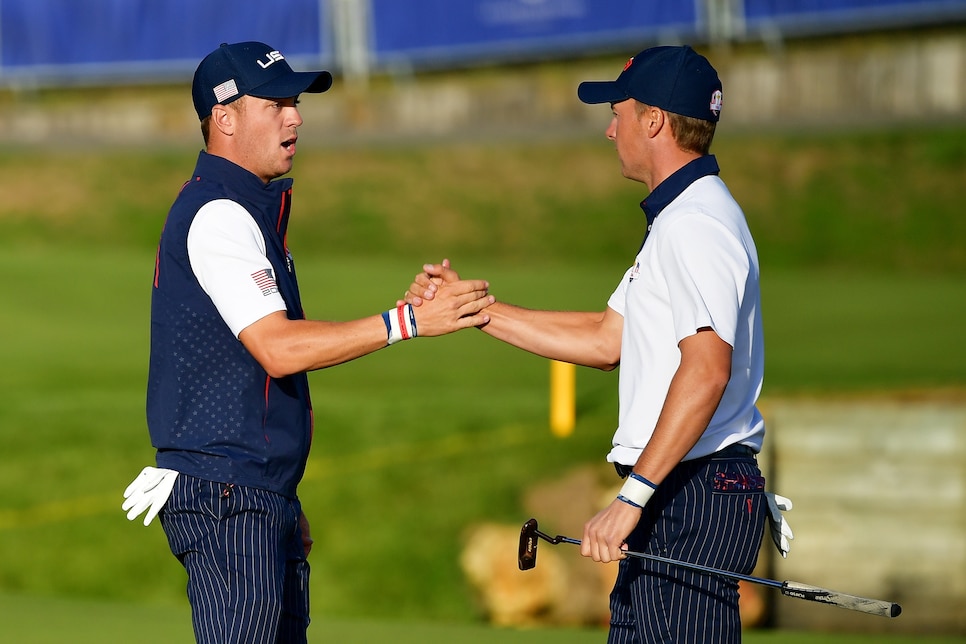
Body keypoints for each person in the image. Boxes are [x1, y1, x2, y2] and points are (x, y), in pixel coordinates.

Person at [407, 46, 791, 643]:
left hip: (693, 493)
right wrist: (473, 310)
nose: (610, 129)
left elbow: (708, 369)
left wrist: (633, 495)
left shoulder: (695, 223)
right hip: (679, 490)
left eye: (619, 112)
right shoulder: (676, 221)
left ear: (655, 121)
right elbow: (606, 338)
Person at [120, 41, 493, 644]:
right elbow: (279, 348)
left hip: (256, 494)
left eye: (295, 103)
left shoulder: (248, 209)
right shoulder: (219, 214)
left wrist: (281, 494)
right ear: (226, 119)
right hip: (228, 497)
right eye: (276, 104)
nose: (295, 117)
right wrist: (407, 322)